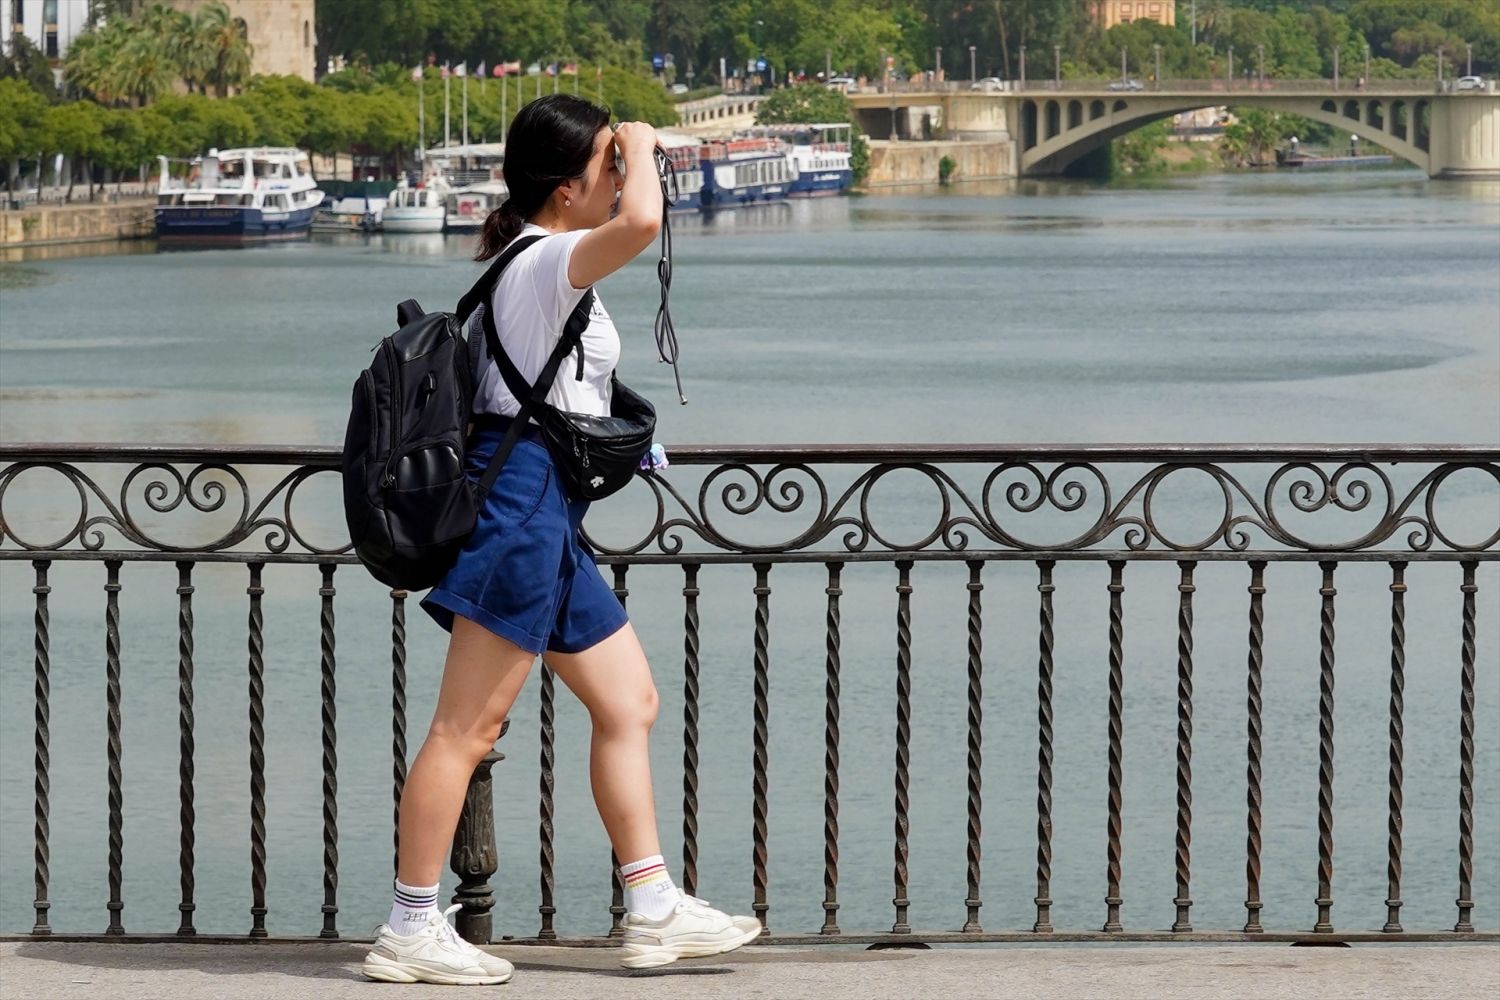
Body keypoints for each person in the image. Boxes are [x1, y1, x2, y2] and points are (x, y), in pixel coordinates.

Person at [361, 94, 760, 986]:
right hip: (521, 509)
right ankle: (410, 925)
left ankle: (653, 907)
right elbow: (647, 220)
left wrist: (623, 151)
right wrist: (648, 145)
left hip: (549, 510)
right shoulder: (543, 260)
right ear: (568, 187)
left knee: (630, 701)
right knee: (466, 727)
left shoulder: (541, 260)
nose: (617, 177)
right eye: (604, 166)